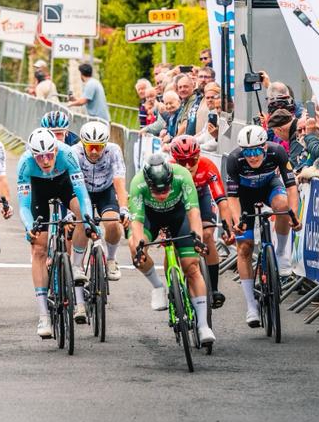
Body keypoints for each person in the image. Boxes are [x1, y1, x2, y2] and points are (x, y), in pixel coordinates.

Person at [128, 152, 215, 347]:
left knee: (191, 266)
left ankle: (203, 325)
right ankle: (158, 286)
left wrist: (198, 239)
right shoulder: (137, 184)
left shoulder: (182, 175)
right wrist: (141, 248)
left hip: (178, 217)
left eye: (166, 190)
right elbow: (137, 222)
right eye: (156, 192)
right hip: (151, 218)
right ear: (148, 184)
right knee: (134, 246)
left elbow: (194, 212)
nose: (162, 196)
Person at [17, 127, 93, 338]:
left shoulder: (67, 154)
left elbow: (82, 194)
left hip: (63, 185)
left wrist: (88, 220)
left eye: (49, 155)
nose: (45, 161)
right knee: (38, 249)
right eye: (39, 157)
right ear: (32, 154)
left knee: (82, 215)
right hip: (39, 192)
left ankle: (75, 266)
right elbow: (24, 206)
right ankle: (44, 316)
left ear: (56, 150)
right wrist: (29, 226)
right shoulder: (25, 163)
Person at [223, 125, 292, 328]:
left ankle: (280, 253)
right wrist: (238, 222)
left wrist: (293, 213)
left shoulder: (277, 151)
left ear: (264, 147)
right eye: (247, 152)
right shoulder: (234, 160)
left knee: (283, 206)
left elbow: (291, 186)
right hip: (244, 196)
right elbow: (232, 198)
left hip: (270, 187)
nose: (252, 156)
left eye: (256, 151)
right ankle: (251, 306)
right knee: (244, 248)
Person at [170, 133, 235, 310]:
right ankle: (174, 284)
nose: (188, 166)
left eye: (192, 160)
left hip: (201, 198)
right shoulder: (170, 170)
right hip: (178, 203)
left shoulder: (207, 166)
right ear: (175, 161)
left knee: (207, 235)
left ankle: (213, 288)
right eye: (182, 162)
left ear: (199, 156)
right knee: (174, 241)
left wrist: (228, 229)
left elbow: (222, 201)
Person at [74, 120, 127, 282]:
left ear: (105, 144)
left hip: (106, 190)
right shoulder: (75, 152)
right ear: (83, 143)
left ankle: (111, 259)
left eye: (99, 147)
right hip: (83, 191)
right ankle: (77, 265)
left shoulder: (113, 150)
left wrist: (124, 208)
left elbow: (119, 181)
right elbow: (70, 183)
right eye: (90, 146)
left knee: (113, 224)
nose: (94, 151)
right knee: (82, 223)